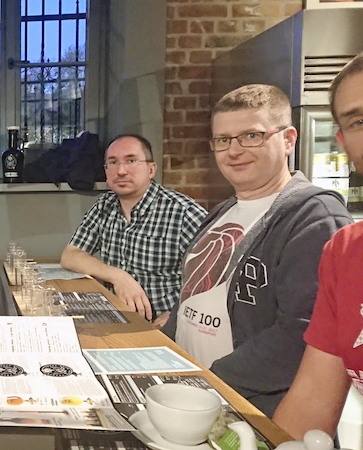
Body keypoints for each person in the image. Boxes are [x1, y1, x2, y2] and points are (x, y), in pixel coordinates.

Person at [161, 84, 353, 417]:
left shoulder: (316, 216)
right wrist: (164, 350)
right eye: (223, 140)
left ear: (288, 139)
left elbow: (301, 334)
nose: (233, 151)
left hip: (252, 409)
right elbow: (192, 294)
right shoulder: (223, 211)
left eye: (251, 136)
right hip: (194, 396)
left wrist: (209, 381)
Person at [273, 53, 363, 439]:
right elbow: (310, 402)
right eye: (360, 121)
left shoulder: (315, 213)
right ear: (343, 142)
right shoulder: (345, 252)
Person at [60, 134, 207, 325]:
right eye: (112, 163)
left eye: (131, 161)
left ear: (151, 169)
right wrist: (118, 276)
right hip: (114, 316)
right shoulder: (105, 205)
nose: (121, 171)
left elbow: (216, 280)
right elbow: (70, 256)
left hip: (162, 325)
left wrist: (177, 315)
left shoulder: (184, 213)